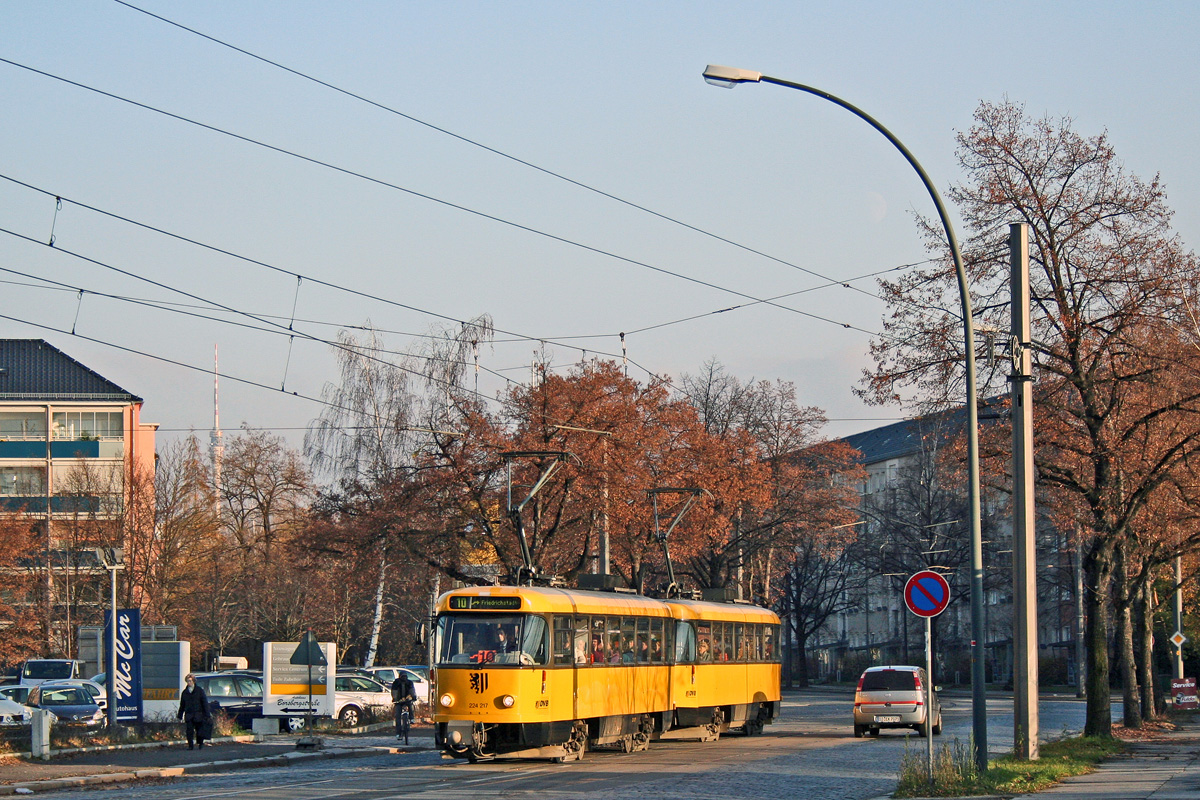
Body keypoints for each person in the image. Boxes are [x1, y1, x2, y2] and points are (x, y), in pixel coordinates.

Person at [178, 673, 211, 749]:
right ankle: (190, 745)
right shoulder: (185, 692)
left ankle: (200, 743)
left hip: (198, 714)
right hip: (189, 715)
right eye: (187, 681)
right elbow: (182, 705)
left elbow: (204, 703)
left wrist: (207, 714)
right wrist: (180, 715)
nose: (189, 683)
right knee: (189, 730)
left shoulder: (199, 691)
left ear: (193, 681)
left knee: (199, 730)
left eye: (190, 681)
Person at [390, 671, 416, 743]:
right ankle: (398, 733)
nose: (404, 678)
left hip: (407, 699)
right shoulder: (396, 683)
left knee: (410, 706)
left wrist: (413, 697)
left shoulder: (409, 683)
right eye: (402, 676)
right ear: (400, 677)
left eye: (405, 676)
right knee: (398, 716)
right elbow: (394, 691)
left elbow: (412, 690)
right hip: (398, 700)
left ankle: (411, 718)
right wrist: (395, 699)